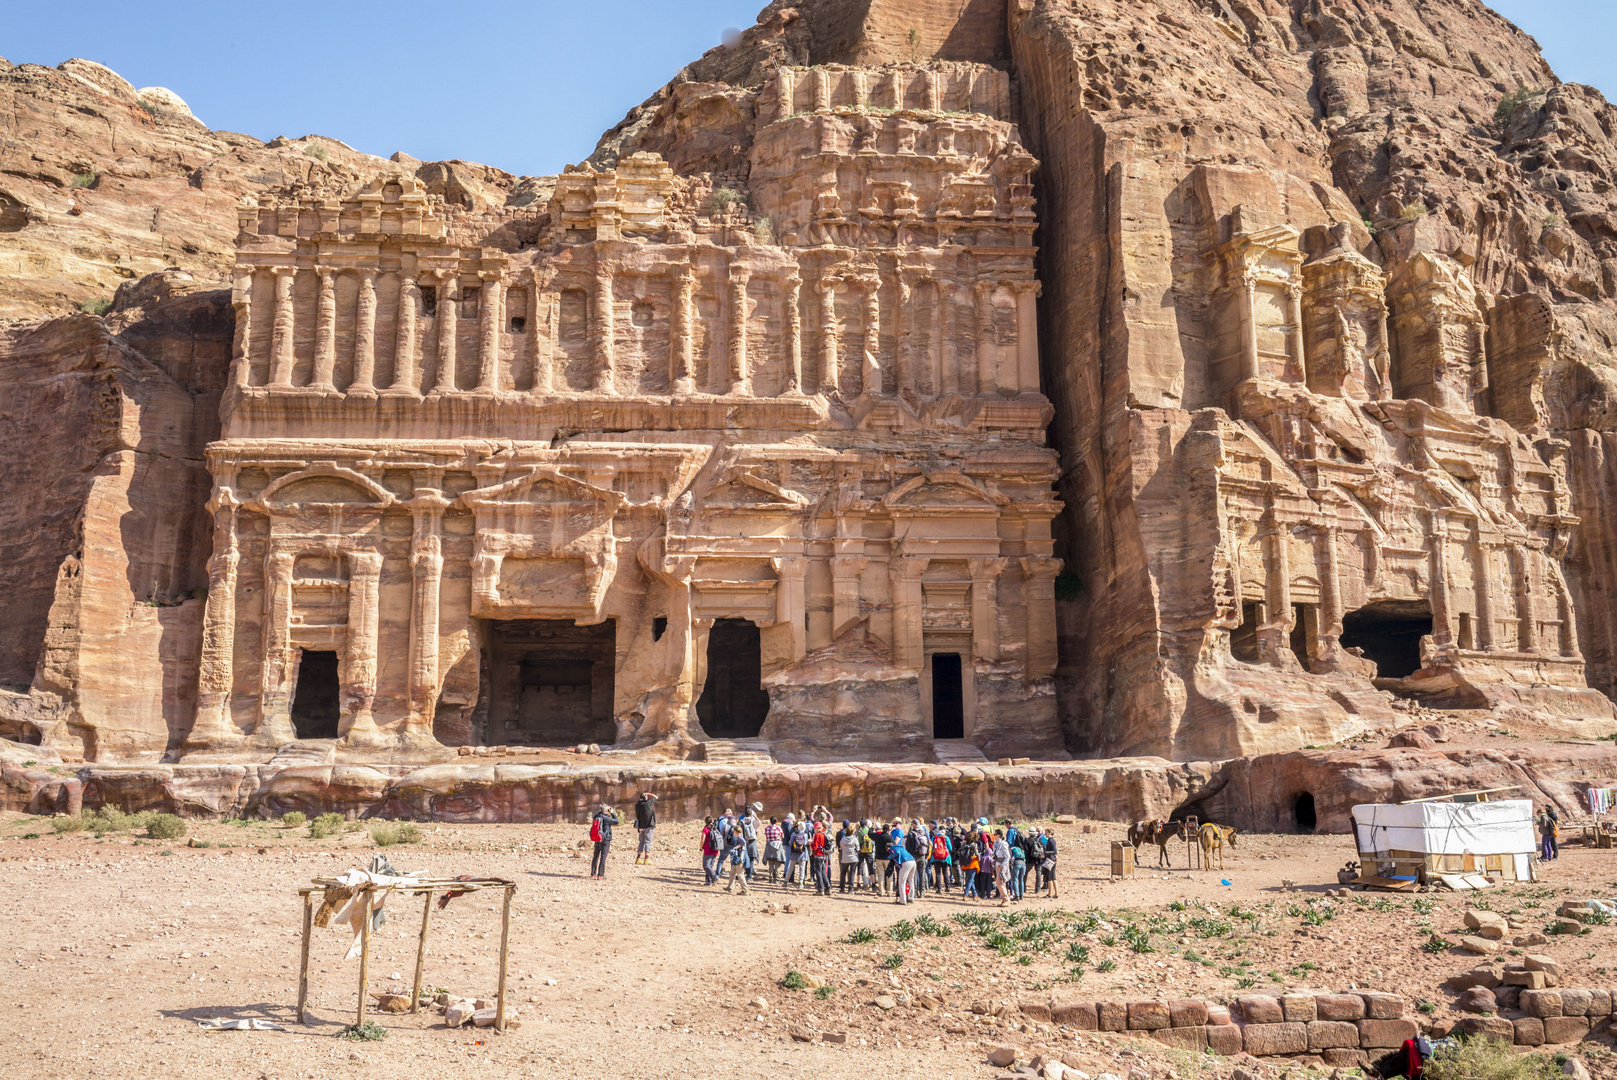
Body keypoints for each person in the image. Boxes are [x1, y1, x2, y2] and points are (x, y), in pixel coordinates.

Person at [589, 803, 620, 879]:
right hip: (605, 839)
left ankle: (593, 873)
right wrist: (612, 812)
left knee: (596, 856)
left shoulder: (596, 817)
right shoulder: (606, 818)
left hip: (597, 838)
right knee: (603, 856)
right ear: (606, 810)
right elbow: (616, 821)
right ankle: (600, 875)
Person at [891, 822, 917, 905]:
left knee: (902, 881)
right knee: (911, 880)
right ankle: (911, 898)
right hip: (913, 861)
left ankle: (902, 900)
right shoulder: (901, 847)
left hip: (906, 863)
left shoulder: (893, 849)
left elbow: (894, 858)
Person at [633, 792, 658, 865]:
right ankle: (646, 859)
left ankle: (638, 858)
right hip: (648, 826)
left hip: (640, 826)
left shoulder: (637, 805)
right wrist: (649, 793)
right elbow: (656, 797)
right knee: (648, 841)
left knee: (641, 842)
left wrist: (644, 795)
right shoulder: (648, 803)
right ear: (646, 798)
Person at [723, 825, 750, 894]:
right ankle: (730, 886)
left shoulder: (740, 839)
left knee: (740, 875)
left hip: (739, 859)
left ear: (735, 831)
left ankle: (745, 890)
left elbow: (743, 844)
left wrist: (736, 847)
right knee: (732, 873)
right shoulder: (739, 838)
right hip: (737, 859)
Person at [871, 818, 893, 895]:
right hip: (888, 858)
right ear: (888, 830)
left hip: (879, 858)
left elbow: (870, 834)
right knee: (889, 875)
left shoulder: (878, 835)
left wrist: (871, 827)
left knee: (880, 875)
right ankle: (889, 891)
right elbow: (894, 847)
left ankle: (881, 891)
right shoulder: (890, 837)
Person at [810, 821, 833, 895]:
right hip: (824, 855)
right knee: (823, 873)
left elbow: (815, 847)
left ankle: (821, 889)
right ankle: (828, 888)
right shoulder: (824, 834)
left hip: (818, 855)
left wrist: (811, 843)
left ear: (816, 828)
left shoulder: (817, 835)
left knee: (818, 872)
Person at [837, 820, 860, 893]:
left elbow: (841, 848)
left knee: (843, 873)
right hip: (853, 858)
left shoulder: (843, 839)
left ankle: (842, 888)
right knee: (852, 873)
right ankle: (850, 889)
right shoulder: (855, 839)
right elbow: (858, 848)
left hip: (845, 858)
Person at [928, 821, 952, 893]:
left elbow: (932, 848)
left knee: (937, 873)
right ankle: (947, 887)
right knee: (945, 872)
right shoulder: (946, 838)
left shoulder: (934, 838)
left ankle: (939, 888)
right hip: (945, 858)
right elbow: (950, 848)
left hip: (936, 857)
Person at [991, 828, 1012, 906]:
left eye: (995, 834)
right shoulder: (996, 844)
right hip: (997, 864)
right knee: (999, 883)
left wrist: (1003, 865)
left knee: (1000, 883)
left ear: (998, 835)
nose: (994, 836)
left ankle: (1006, 899)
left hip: (1001, 865)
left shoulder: (1003, 844)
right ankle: (1004, 899)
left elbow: (1007, 856)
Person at [763, 816, 786, 883]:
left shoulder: (767, 828)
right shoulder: (779, 828)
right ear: (776, 821)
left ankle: (771, 878)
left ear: (770, 821)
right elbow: (782, 836)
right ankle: (777, 879)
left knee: (771, 863)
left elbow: (766, 836)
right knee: (777, 863)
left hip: (769, 845)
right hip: (778, 846)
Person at [701, 815, 722, 885]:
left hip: (708, 849)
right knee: (710, 866)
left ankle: (714, 876)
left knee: (706, 866)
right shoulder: (715, 828)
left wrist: (701, 847)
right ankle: (708, 882)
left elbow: (702, 840)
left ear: (705, 821)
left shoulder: (705, 829)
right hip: (715, 849)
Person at [856, 819, 876, 889]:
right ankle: (873, 885)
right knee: (871, 868)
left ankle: (858, 884)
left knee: (860, 868)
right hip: (869, 852)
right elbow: (873, 842)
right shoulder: (870, 831)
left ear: (860, 825)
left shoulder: (859, 831)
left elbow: (858, 842)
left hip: (861, 852)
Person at [1040, 829, 1059, 899]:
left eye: (1046, 833)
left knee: (1049, 878)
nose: (1045, 834)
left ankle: (1050, 894)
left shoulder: (1051, 841)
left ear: (1049, 833)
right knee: (1053, 877)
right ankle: (1056, 894)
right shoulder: (1051, 840)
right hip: (1052, 860)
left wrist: (1045, 853)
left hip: (1050, 860)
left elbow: (1055, 851)